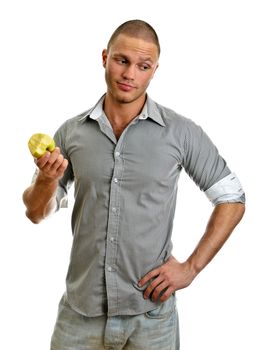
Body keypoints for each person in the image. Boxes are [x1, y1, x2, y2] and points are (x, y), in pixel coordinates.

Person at [23, 19, 245, 350]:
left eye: (143, 66)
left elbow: (231, 197)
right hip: (80, 313)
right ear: (104, 57)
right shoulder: (71, 133)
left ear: (154, 69)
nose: (130, 74)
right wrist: (46, 178)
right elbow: (35, 212)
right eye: (122, 60)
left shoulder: (180, 132)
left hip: (151, 317)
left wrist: (191, 269)